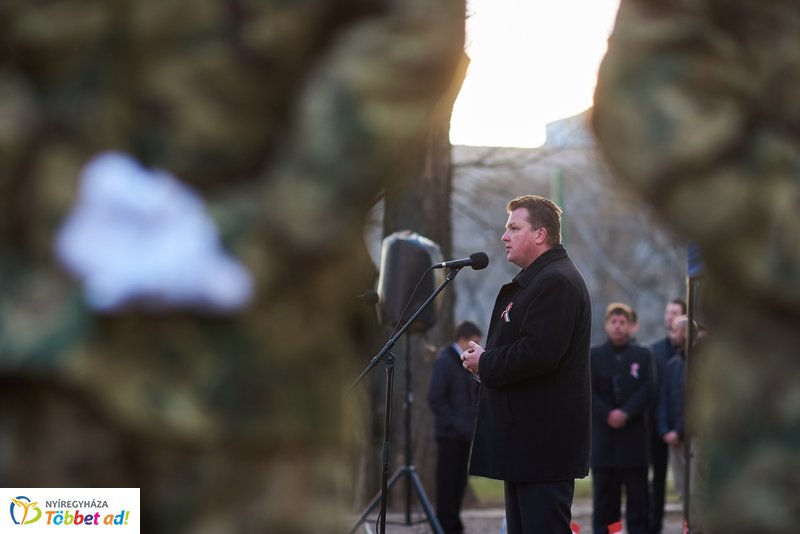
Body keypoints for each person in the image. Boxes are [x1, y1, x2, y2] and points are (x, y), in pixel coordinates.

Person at [461, 194, 592, 534]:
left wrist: (485, 361)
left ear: (540, 234)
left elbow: (539, 353)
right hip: (525, 444)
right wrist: (485, 362)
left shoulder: (556, 281)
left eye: (513, 228)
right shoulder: (536, 281)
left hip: (543, 446)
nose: (504, 236)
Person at [590, 303, 655, 534]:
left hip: (633, 442)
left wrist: (626, 412)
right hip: (604, 443)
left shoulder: (643, 355)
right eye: (613, 322)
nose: (617, 327)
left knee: (638, 503)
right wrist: (607, 413)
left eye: (622, 322)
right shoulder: (594, 355)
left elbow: (648, 387)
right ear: (606, 325)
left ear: (631, 327)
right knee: (605, 505)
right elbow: (589, 391)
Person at [427, 320, 483, 534]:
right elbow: (435, 397)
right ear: (462, 339)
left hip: (464, 434)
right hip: (449, 435)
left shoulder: (466, 363)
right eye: (474, 342)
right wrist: (453, 423)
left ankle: (454, 524)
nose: (476, 347)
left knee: (459, 484)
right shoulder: (445, 361)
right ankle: (444, 526)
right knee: (447, 484)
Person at [647, 298, 686, 533]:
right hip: (658, 427)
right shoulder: (655, 350)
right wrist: (661, 427)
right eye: (667, 312)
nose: (669, 317)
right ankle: (654, 526)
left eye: (675, 313)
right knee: (657, 480)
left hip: (684, 427)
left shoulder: (691, 353)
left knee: (689, 486)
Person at [658, 315, 696, 500]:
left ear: (685, 332)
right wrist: (666, 430)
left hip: (695, 438)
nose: (670, 335)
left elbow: (695, 401)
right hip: (674, 438)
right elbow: (663, 398)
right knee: (682, 489)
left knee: (696, 490)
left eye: (674, 330)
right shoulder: (673, 364)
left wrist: (678, 430)